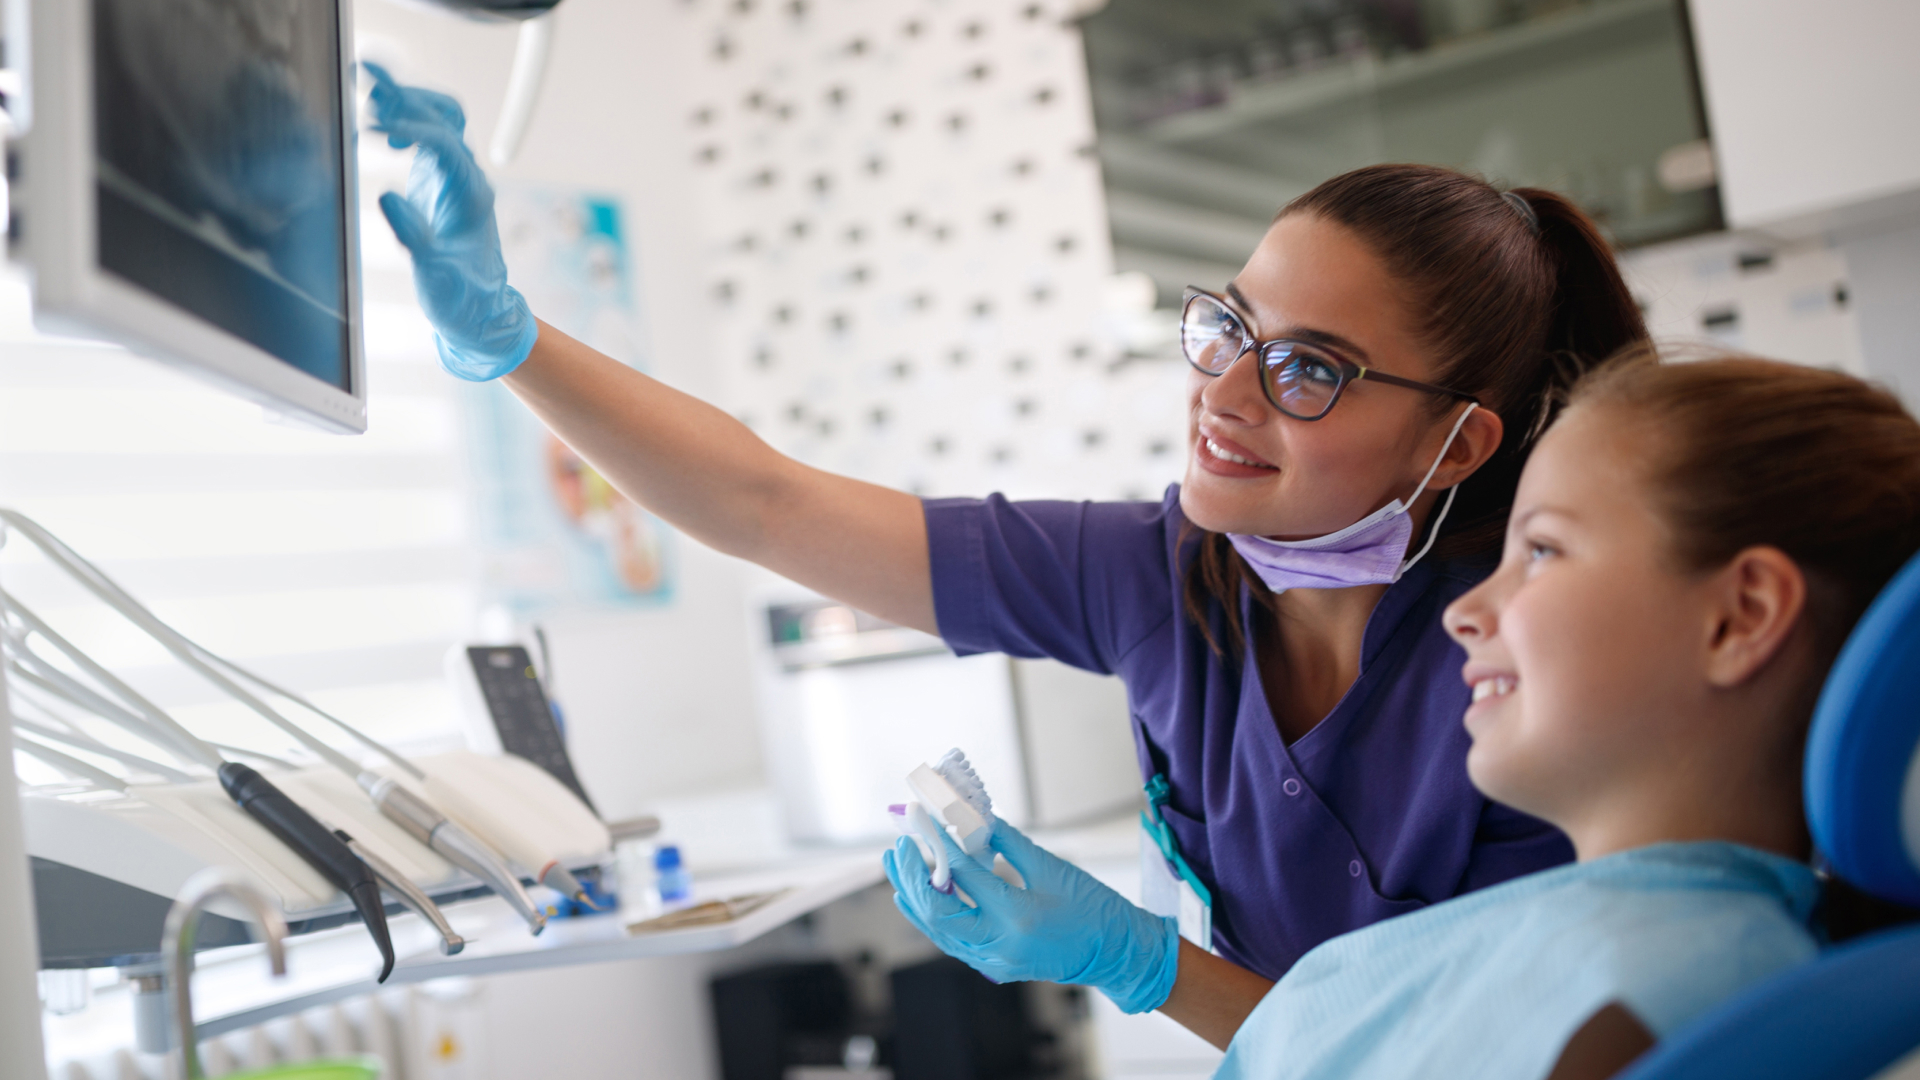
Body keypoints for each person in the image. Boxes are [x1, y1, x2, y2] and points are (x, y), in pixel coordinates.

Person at [364, 65, 1646, 1033]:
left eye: (1308, 369)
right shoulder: (1165, 576)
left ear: (1461, 444)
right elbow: (770, 507)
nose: (1227, 395)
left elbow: (1465, 1056)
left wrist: (1139, 965)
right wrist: (509, 341)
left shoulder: (1528, 653)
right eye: (1231, 327)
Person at [895, 351, 1920, 1077]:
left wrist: (1130, 959)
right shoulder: (1620, 945)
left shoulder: (1657, 1000)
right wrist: (1126, 956)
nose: (1469, 611)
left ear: (1739, 616)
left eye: (1545, 552)